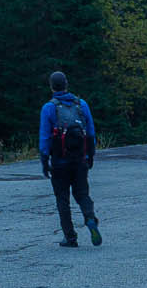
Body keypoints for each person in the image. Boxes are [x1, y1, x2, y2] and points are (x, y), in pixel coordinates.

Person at [39, 70, 101, 248]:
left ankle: (70, 237)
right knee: (82, 193)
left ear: (51, 87)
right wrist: (90, 155)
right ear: (66, 84)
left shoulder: (49, 108)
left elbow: (44, 137)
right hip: (80, 159)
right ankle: (89, 217)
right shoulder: (81, 104)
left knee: (62, 199)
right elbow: (90, 132)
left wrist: (45, 161)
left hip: (60, 161)